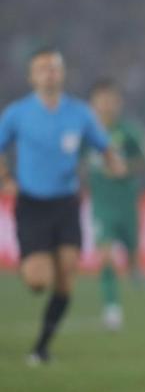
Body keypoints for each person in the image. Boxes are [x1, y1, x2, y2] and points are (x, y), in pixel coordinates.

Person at [0, 47, 126, 364]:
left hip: (66, 203)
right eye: (43, 68)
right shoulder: (17, 113)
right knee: (38, 281)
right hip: (32, 204)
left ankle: (41, 348)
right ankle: (32, 264)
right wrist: (5, 178)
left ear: (63, 73)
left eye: (54, 68)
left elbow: (104, 146)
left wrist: (114, 162)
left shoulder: (80, 113)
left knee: (68, 275)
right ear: (32, 76)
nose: (50, 73)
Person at [86, 77, 145, 330]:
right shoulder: (86, 132)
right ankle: (112, 308)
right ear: (93, 103)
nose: (106, 105)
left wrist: (126, 167)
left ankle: (136, 269)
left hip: (127, 204)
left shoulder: (128, 130)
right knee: (105, 256)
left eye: (111, 99)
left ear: (118, 102)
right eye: (101, 100)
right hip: (101, 205)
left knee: (133, 258)